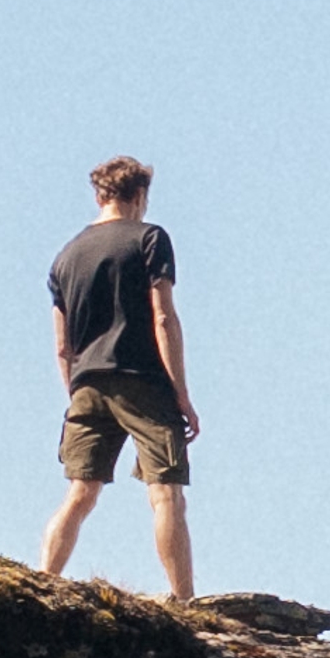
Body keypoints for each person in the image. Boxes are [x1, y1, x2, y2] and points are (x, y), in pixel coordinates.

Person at [42, 155, 200, 599]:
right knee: (166, 493)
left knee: (80, 492)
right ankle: (184, 599)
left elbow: (61, 345)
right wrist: (181, 393)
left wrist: (75, 392)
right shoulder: (150, 239)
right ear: (140, 196)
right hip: (144, 379)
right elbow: (163, 316)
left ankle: (43, 582)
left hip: (87, 383)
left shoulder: (66, 255)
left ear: (99, 195)